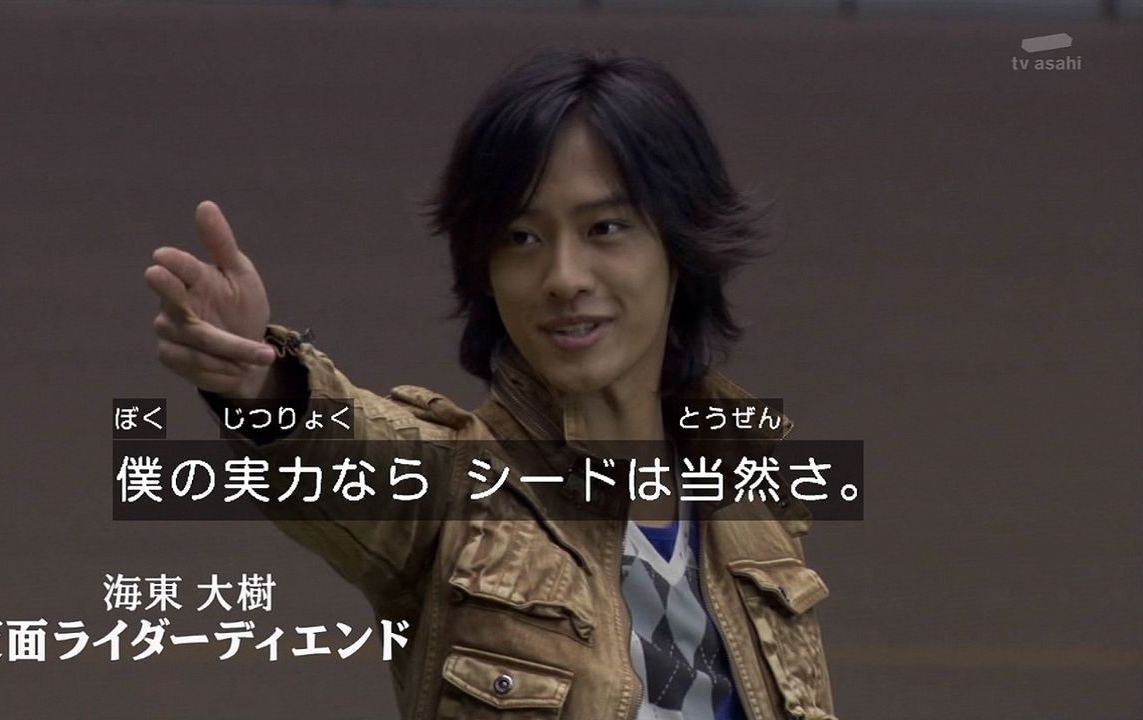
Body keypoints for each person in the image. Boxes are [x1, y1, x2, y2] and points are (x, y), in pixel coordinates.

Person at [145, 47, 836, 720]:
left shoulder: (749, 498)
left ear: (680, 247)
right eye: (521, 238)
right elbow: (341, 454)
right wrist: (262, 385)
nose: (564, 277)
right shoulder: (460, 492)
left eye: (605, 228)